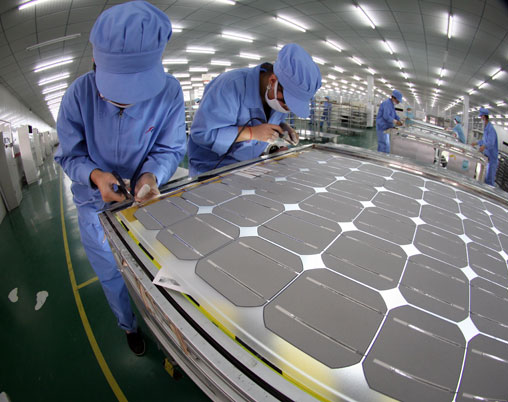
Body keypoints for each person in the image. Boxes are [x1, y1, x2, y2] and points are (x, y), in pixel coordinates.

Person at [54, 1, 186, 355]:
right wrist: (93, 175)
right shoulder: (77, 97)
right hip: (94, 207)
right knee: (112, 276)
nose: (126, 104)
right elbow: (68, 154)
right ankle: (128, 325)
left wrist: (151, 175)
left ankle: (168, 328)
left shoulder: (170, 93)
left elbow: (171, 149)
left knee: (158, 273)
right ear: (94, 62)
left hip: (144, 203)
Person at [188, 43, 321, 176]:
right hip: (211, 171)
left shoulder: (277, 97)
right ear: (273, 80)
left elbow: (264, 123)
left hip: (248, 166)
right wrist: (251, 133)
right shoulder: (229, 86)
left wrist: (282, 128)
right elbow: (202, 134)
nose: (286, 108)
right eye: (286, 102)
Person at [471, 108, 498, 186]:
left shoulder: (491, 129)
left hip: (492, 157)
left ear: (484, 117)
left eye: (481, 117)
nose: (481, 119)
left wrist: (484, 146)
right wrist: (476, 143)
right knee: (484, 177)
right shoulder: (486, 129)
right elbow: (484, 141)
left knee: (489, 179)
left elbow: (491, 143)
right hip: (487, 156)